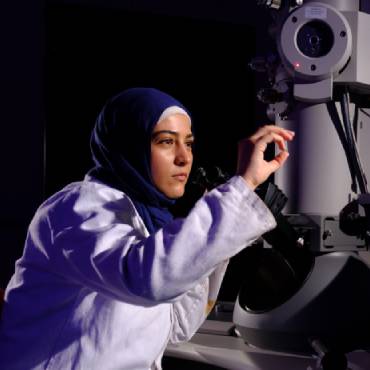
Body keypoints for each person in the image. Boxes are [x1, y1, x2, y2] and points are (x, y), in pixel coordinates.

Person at [0, 87, 294, 369]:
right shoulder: (77, 208)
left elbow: (178, 325)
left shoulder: (144, 220)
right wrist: (236, 194)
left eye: (188, 143)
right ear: (129, 145)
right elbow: (148, 280)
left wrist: (218, 229)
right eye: (166, 142)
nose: (184, 157)